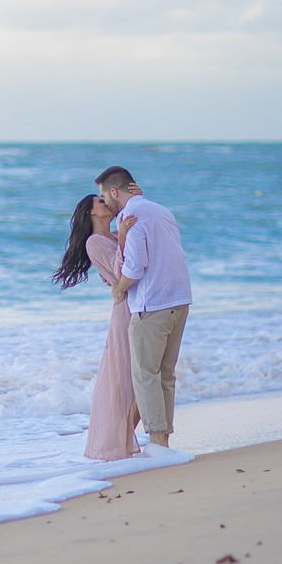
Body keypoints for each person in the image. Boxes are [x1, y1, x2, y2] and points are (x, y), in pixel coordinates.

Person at [95, 166, 192, 449]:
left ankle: (159, 443)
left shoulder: (131, 217)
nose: (104, 202)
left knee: (145, 376)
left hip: (152, 305)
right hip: (179, 300)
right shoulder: (161, 210)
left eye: (104, 195)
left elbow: (136, 266)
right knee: (165, 375)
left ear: (114, 192)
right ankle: (163, 441)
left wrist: (119, 288)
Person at [52, 193, 142, 461]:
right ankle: (119, 443)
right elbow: (121, 275)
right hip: (124, 314)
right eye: (100, 202)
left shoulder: (115, 234)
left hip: (133, 305)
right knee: (128, 382)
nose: (107, 203)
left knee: (137, 381)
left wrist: (134, 196)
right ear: (92, 213)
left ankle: (124, 439)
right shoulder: (95, 242)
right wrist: (124, 239)